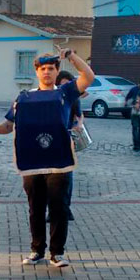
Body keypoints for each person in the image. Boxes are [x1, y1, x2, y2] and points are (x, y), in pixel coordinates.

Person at [0, 49, 94, 267]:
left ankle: (57, 253)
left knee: (58, 208)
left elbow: (88, 76)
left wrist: (72, 55)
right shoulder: (23, 98)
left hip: (59, 162)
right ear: (36, 71)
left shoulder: (66, 93)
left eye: (51, 69)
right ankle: (37, 251)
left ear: (57, 71)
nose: (47, 72)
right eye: (42, 69)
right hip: (32, 163)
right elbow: (8, 125)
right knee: (36, 208)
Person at [57, 70, 83, 222]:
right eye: (62, 84)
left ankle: (66, 207)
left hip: (68, 140)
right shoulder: (52, 97)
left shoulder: (73, 98)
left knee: (67, 175)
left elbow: (79, 116)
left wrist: (77, 125)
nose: (65, 86)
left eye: (68, 83)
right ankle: (53, 208)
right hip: (53, 141)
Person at [127, 78, 140, 151]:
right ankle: (139, 145)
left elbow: (128, 98)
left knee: (135, 128)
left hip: (135, 110)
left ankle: (136, 145)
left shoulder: (134, 89)